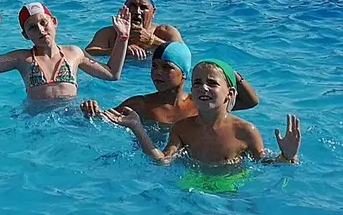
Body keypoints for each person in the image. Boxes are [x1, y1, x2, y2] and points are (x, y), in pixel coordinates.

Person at [103, 59, 300, 166]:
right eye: (197, 83)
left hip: (230, 185)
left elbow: (263, 164)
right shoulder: (182, 129)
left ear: (230, 94)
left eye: (212, 83)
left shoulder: (245, 131)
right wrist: (137, 128)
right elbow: (163, 161)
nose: (203, 88)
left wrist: (286, 157)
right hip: (191, 182)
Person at [0, 3, 130, 100]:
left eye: (43, 22)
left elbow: (112, 74)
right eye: (32, 27)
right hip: (36, 122)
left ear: (54, 22)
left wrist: (122, 37)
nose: (40, 30)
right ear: (26, 35)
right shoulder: (22, 59)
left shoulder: (74, 53)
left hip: (69, 117)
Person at [81, 41, 259, 126]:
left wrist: (232, 74)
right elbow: (103, 119)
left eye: (167, 67)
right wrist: (91, 111)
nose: (158, 72)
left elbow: (251, 102)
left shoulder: (201, 103)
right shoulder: (140, 104)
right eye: (154, 66)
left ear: (184, 74)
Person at [86, 0, 183, 59]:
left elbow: (183, 54)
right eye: (132, 6)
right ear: (125, 8)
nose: (137, 11)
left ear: (153, 12)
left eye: (143, 7)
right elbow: (87, 53)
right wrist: (121, 51)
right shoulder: (109, 34)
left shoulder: (165, 32)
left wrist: (152, 40)